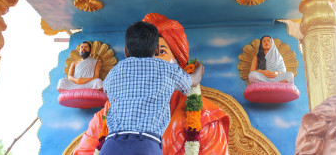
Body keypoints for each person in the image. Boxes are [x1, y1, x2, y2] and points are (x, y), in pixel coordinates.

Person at [73, 13, 229, 155]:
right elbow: (84, 151)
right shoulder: (104, 115)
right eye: (157, 52)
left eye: (163, 52)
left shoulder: (207, 118)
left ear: (179, 62)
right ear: (153, 51)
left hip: (113, 143)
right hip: (145, 143)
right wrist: (198, 70)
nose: (155, 60)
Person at [99, 21, 203, 155]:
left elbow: (106, 90)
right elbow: (193, 81)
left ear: (126, 51)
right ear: (157, 50)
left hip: (111, 145)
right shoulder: (167, 69)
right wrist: (199, 68)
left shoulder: (115, 71)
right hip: (145, 145)